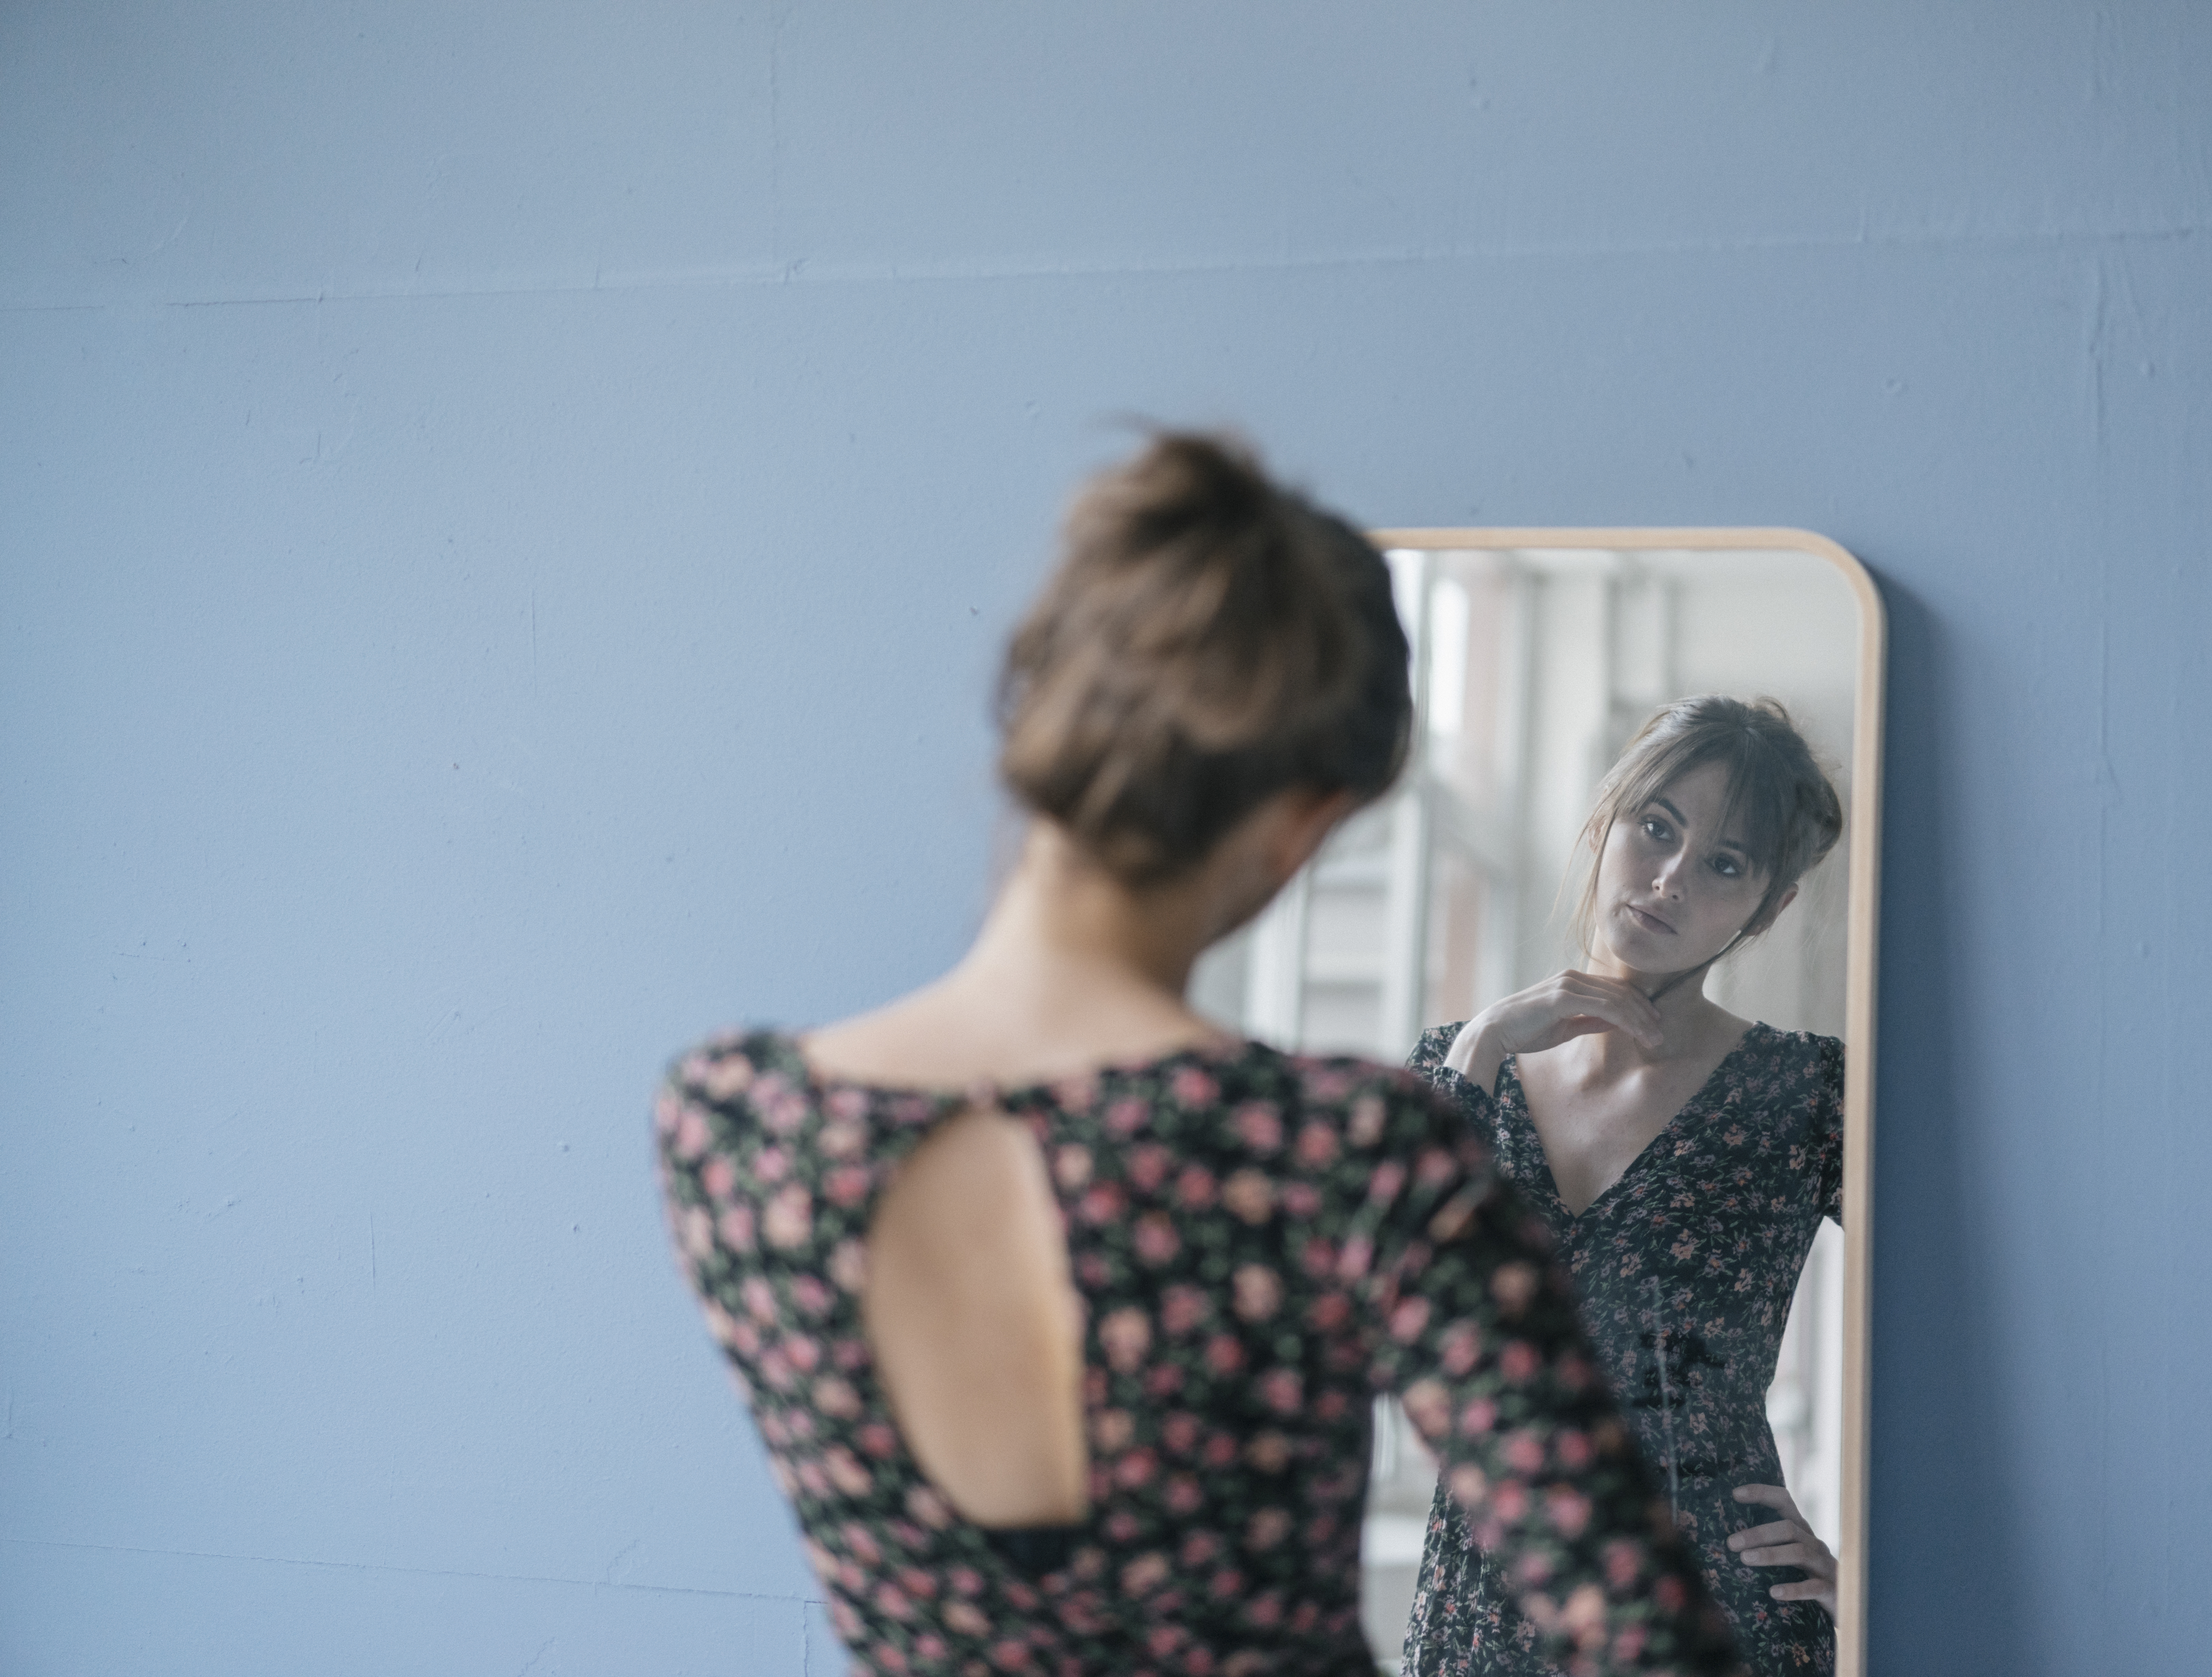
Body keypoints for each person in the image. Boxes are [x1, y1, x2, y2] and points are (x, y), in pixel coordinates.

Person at [653, 432, 1743, 1677]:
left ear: (1037, 705)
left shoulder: (735, 1127)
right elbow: (1652, 1643)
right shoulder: (1346, 1155)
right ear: (1299, 823)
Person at [1402, 697, 1847, 1677]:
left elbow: (1970, 1335)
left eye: (1725, 864)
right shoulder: (1457, 1067)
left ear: (1768, 909)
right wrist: (1480, 1051)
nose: (1672, 878)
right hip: (1484, 1610)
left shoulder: (1810, 1093)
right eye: (1657, 827)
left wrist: (1880, 1562)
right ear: (1603, 822)